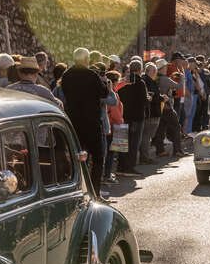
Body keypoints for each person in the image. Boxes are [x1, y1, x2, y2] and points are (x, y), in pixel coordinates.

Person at [60, 47, 110, 193]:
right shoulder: (92, 75)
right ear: (87, 60)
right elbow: (104, 93)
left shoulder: (67, 75)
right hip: (92, 121)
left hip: (74, 121)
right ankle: (95, 191)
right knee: (98, 158)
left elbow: (65, 92)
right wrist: (106, 83)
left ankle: (80, 188)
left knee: (78, 157)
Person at [117, 60, 148, 177]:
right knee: (133, 142)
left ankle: (121, 166)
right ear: (140, 70)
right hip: (135, 117)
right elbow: (143, 101)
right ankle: (129, 167)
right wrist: (148, 99)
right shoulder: (140, 83)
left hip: (122, 115)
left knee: (121, 142)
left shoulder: (123, 81)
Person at [153, 58, 185, 157]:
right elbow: (179, 86)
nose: (167, 68)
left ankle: (160, 150)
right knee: (176, 127)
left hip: (159, 107)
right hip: (167, 107)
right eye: (166, 66)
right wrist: (182, 78)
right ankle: (177, 150)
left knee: (161, 129)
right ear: (162, 68)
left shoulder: (156, 78)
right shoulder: (164, 79)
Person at [141, 62, 162, 162]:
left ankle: (144, 156)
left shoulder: (143, 80)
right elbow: (152, 97)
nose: (156, 74)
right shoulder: (149, 81)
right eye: (155, 72)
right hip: (151, 113)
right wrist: (162, 98)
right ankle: (145, 157)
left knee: (146, 135)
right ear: (152, 72)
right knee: (147, 136)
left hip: (148, 112)